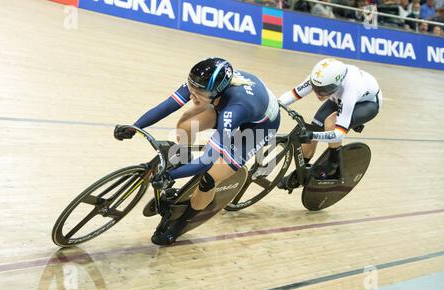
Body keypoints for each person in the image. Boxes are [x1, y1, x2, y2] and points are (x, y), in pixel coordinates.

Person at [114, 57, 280, 245]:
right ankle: (185, 160)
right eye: (191, 87)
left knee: (209, 178)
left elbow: (208, 159)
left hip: (258, 128)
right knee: (185, 124)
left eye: (199, 92)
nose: (192, 94)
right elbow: (168, 105)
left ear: (216, 92)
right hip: (236, 102)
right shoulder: (201, 83)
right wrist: (134, 127)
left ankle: (180, 224)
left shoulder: (232, 112)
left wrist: (170, 175)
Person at [277, 58, 382, 191]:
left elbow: (338, 135)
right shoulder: (318, 78)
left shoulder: (350, 89)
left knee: (330, 123)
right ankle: (300, 174)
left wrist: (313, 135)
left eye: (324, 91)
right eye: (316, 89)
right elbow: (293, 95)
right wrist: (274, 105)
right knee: (313, 128)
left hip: (366, 104)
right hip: (338, 99)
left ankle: (333, 164)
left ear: (336, 85)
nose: (319, 95)